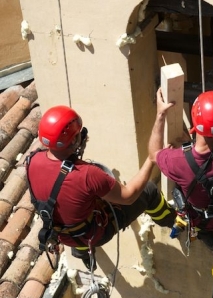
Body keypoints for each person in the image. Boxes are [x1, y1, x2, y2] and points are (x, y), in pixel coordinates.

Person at [26, 105, 175, 271]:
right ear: (74, 140)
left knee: (76, 214)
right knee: (149, 190)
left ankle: (82, 254)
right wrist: (151, 159)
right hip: (94, 234)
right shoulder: (87, 174)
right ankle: (171, 220)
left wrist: (74, 145)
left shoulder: (31, 160)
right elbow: (129, 196)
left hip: (61, 233)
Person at [148, 88, 213, 251]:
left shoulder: (177, 161)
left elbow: (154, 154)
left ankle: (205, 234)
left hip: (200, 219)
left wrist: (160, 115)